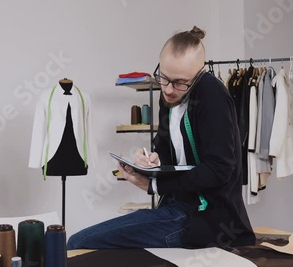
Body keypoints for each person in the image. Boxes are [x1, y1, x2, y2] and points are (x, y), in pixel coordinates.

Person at [67, 26, 255, 249]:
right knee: (79, 242)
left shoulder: (212, 96)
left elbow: (220, 169)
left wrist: (155, 186)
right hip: (176, 207)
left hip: (206, 218)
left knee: (79, 242)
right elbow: (164, 144)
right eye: (163, 78)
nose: (167, 89)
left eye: (179, 82)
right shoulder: (170, 95)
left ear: (199, 73)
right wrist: (151, 160)